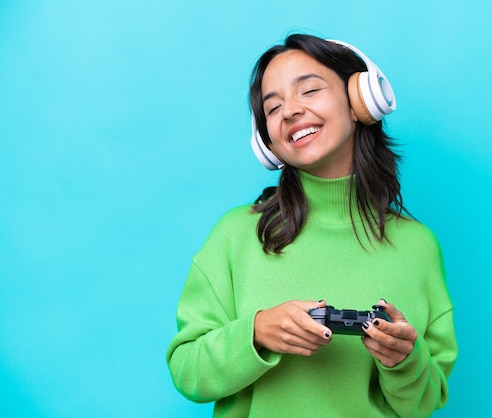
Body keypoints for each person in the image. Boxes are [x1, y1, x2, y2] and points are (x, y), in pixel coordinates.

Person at [166, 34, 457, 417]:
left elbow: (424, 403)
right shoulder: (235, 235)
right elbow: (188, 373)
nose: (289, 112)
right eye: (273, 108)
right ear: (267, 140)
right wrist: (256, 333)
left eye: (309, 90)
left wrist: (404, 360)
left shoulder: (419, 247)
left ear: (360, 102)